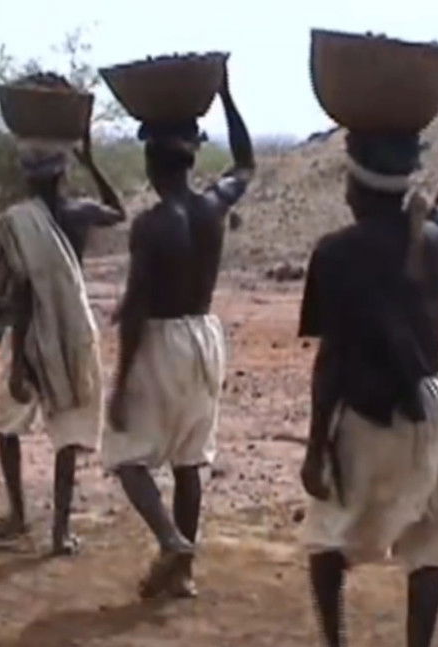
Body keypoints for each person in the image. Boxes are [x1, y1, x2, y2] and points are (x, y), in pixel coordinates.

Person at [291, 82, 438, 647]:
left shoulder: (336, 255)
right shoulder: (434, 237)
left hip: (371, 410)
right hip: (437, 407)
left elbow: (331, 359)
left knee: (324, 538)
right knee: (428, 547)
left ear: (359, 186)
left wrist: (316, 447)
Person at [103, 70, 254, 599]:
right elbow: (245, 163)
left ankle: (170, 540)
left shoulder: (151, 224)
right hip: (206, 337)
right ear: (191, 159)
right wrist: (228, 99)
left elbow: (141, 304)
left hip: (162, 340)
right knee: (191, 457)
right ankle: (182, 574)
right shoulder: (213, 208)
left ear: (151, 161)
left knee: (126, 454)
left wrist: (120, 385)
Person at [0, 72, 127, 556]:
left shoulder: (14, 222)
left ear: (26, 175)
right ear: (64, 171)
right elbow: (118, 211)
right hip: (71, 331)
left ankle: (19, 514)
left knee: (9, 425)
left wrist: (22, 357)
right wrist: (93, 162)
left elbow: (18, 295)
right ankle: (60, 530)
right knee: (68, 431)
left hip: (29, 336)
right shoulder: (79, 210)